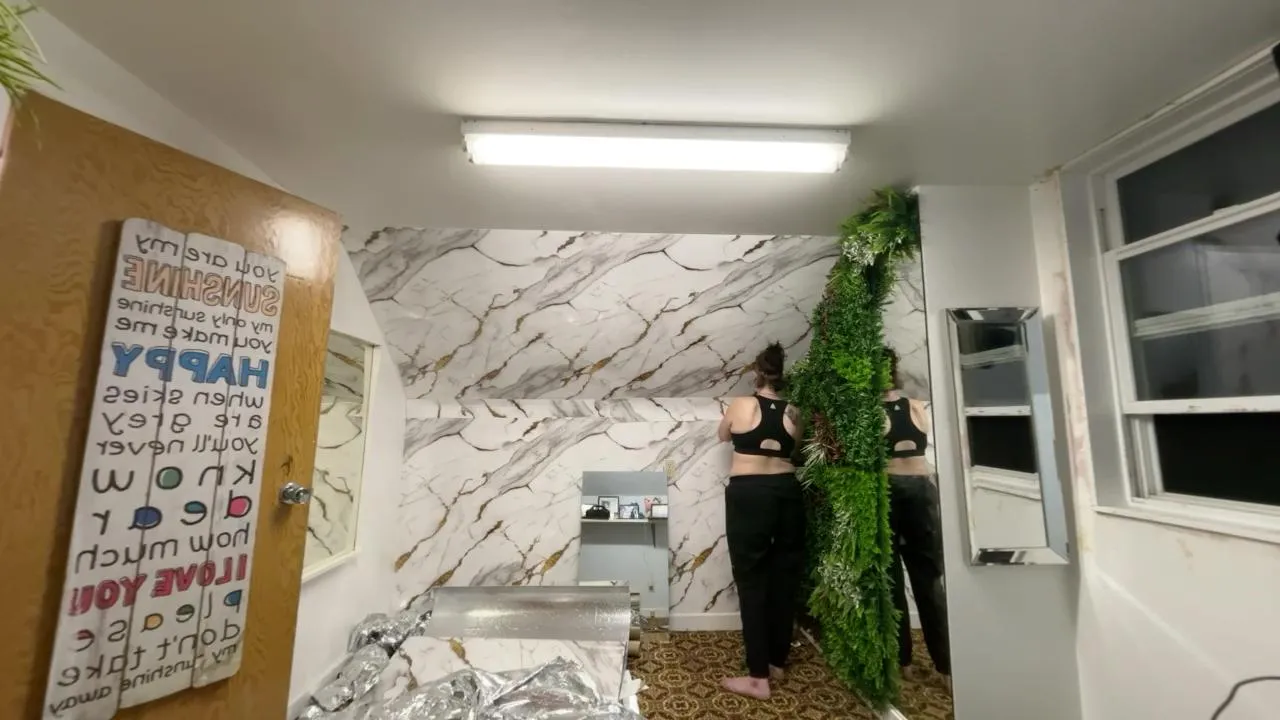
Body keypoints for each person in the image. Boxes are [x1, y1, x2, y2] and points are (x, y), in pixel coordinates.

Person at [716, 342, 806, 700]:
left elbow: (723, 435)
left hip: (749, 493)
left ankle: (757, 677)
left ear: (757, 372)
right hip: (787, 491)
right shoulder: (794, 411)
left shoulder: (741, 404)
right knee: (784, 577)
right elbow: (796, 449)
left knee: (751, 580)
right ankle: (776, 662)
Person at [883, 347, 951, 680]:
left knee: (892, 577)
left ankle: (903, 661)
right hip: (923, 490)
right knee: (929, 578)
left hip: (891, 489)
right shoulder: (917, 407)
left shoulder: (872, 412)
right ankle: (946, 667)